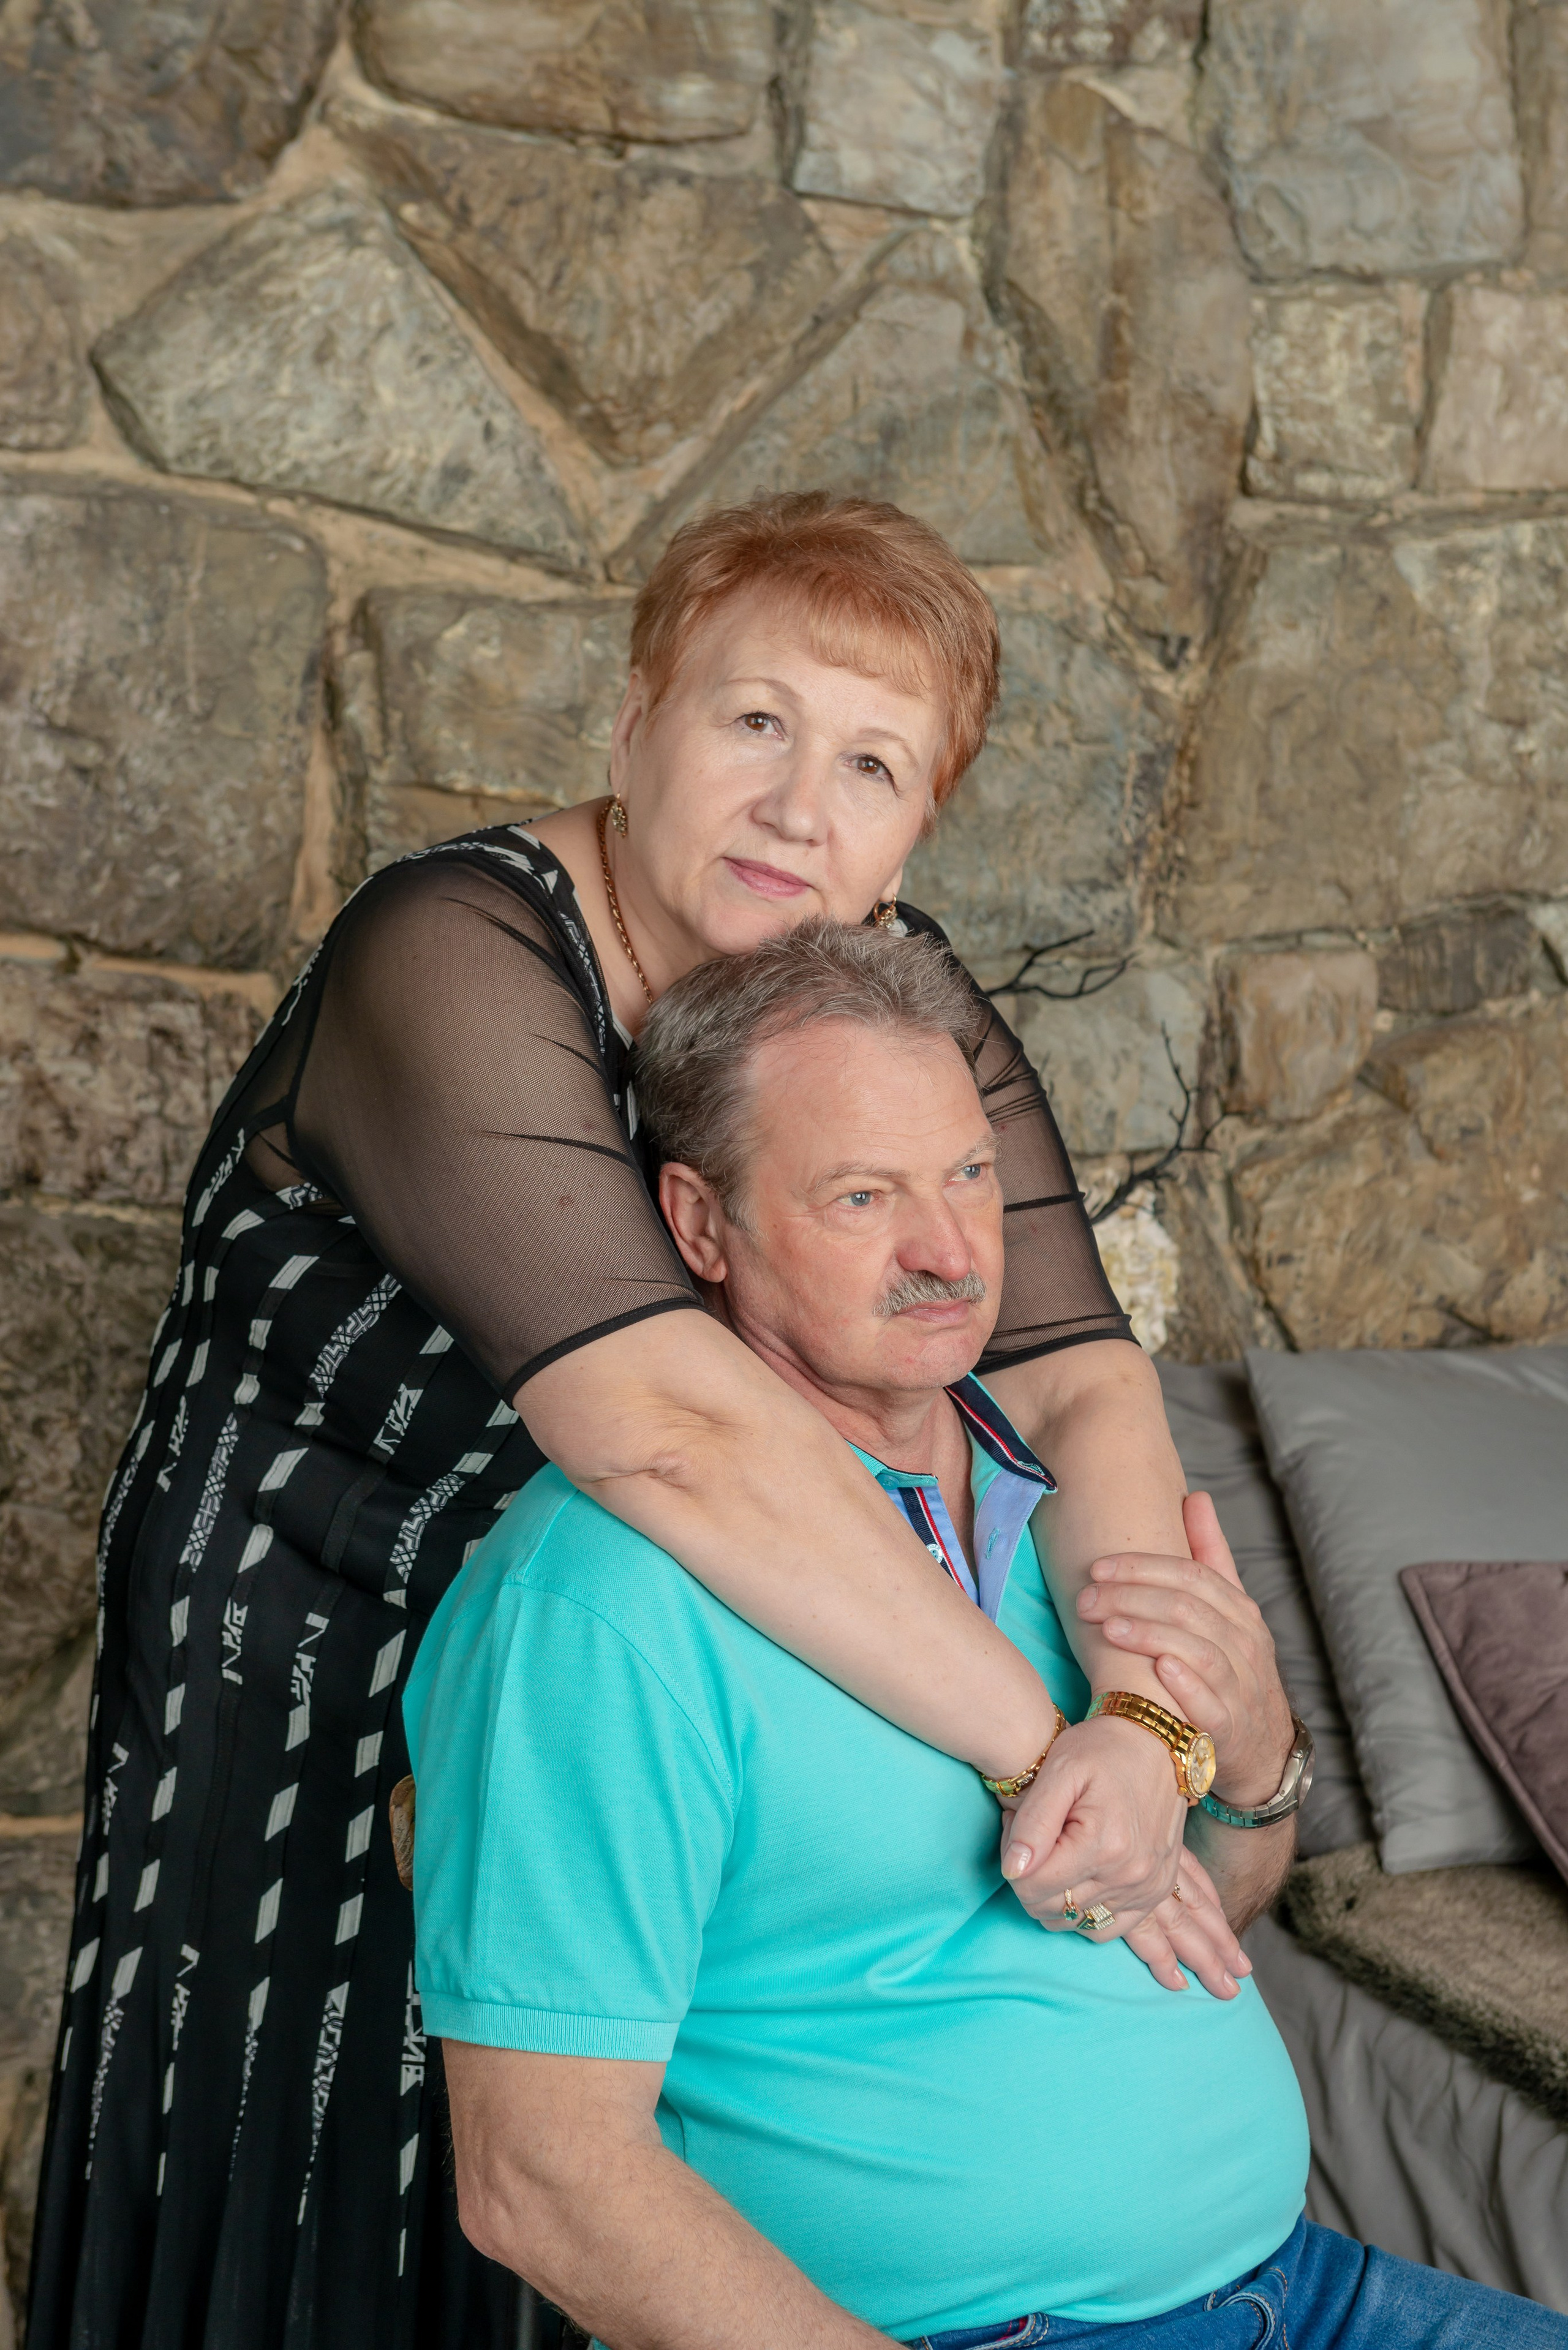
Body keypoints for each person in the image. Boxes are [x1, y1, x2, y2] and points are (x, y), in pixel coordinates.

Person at [32, 495, 1265, 2350]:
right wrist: (1043, 1747)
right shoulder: (451, 939)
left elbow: (1078, 1372)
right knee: (306, 2179)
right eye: (753, 722)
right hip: (311, 1643)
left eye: (872, 762)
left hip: (613, 1639)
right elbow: (667, 1430)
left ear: (920, 823)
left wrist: (1148, 1719)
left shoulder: (879, 985)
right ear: (635, 727)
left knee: (610, 2187)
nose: (799, 803)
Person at [407, 922, 1568, 2350]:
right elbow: (542, 2179)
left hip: (1301, 2282)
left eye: (967, 1173)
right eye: (859, 1195)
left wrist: (1256, 1758)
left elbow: (1201, 1915)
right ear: (700, 1225)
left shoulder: (1067, 1499)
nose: (949, 1248)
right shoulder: (595, 1605)